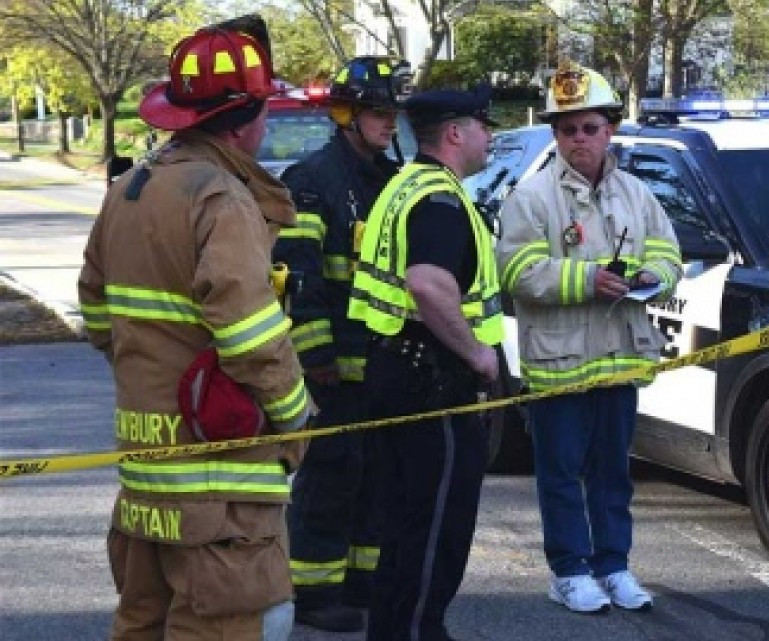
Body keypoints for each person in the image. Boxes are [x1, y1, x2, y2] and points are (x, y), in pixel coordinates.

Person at [77, 15, 315, 641]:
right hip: (221, 489)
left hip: (146, 473)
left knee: (142, 626)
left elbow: (96, 310)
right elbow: (248, 331)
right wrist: (294, 418)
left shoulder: (130, 187)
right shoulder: (222, 198)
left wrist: (152, 371)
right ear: (247, 118)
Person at [495, 60, 682, 614]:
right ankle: (569, 570)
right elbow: (517, 272)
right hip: (561, 361)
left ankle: (614, 565)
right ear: (555, 135)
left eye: (589, 127)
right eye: (567, 128)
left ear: (610, 130)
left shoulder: (637, 193)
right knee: (559, 476)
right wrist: (586, 279)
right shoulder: (530, 198)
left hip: (620, 356)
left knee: (613, 475)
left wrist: (654, 277)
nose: (579, 138)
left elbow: (668, 251)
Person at [346, 84, 502, 641]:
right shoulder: (438, 199)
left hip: (397, 371)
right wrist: (480, 354)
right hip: (433, 383)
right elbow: (428, 284)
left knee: (405, 527)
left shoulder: (403, 184)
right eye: (484, 125)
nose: (492, 135)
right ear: (456, 133)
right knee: (437, 530)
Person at [275, 55, 411, 633]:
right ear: (346, 115)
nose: (389, 122)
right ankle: (312, 592)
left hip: (379, 366)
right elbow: (298, 273)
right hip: (333, 368)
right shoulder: (311, 182)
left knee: (376, 477)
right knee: (329, 476)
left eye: (391, 112)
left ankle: (362, 582)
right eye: (378, 112)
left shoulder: (386, 180)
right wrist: (317, 357)